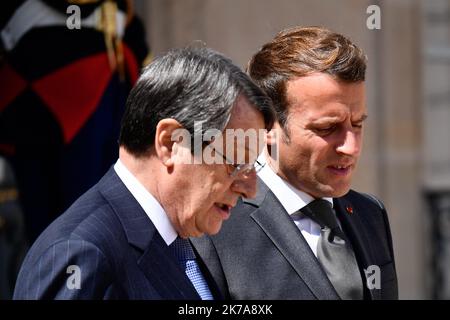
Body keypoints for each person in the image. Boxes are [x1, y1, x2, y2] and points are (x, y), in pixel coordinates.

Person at [13, 46, 275, 300]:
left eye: (254, 166)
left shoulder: (184, 241)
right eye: (237, 163)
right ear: (171, 143)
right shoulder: (84, 255)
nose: (250, 188)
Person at [192, 26, 398, 300]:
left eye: (357, 124)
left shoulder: (370, 213)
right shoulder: (215, 226)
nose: (352, 146)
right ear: (266, 126)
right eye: (327, 129)